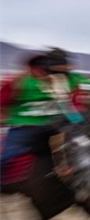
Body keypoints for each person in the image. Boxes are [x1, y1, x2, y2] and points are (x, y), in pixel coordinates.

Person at [0, 49, 85, 178]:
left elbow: (72, 105)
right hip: (24, 126)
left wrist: (78, 121)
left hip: (56, 126)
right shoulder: (18, 82)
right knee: (6, 157)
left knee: (83, 149)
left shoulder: (65, 82)